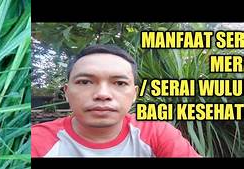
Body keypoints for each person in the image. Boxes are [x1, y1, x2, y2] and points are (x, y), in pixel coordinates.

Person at [31, 44, 200, 157]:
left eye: (119, 83)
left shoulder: (157, 134)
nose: (103, 94)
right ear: (66, 92)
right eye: (85, 82)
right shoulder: (38, 141)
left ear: (134, 94)